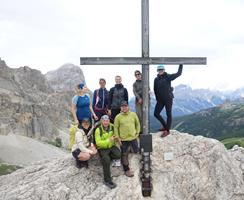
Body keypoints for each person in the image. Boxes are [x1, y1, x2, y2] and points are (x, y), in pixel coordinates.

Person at [153, 64, 183, 137]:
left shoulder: (168, 76)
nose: (160, 71)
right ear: (157, 71)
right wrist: (157, 99)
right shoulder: (156, 79)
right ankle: (165, 126)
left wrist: (181, 65)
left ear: (164, 70)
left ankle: (167, 130)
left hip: (168, 99)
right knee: (156, 113)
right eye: (159, 70)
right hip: (160, 100)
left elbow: (178, 74)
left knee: (168, 114)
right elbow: (155, 90)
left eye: (162, 70)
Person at [114, 101, 140, 177]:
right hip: (123, 139)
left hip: (133, 138)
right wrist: (118, 138)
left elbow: (137, 124)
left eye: (125, 106)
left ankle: (131, 149)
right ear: (120, 108)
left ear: (128, 106)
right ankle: (126, 170)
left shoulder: (133, 114)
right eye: (122, 106)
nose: (124, 108)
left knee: (136, 151)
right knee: (124, 154)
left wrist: (137, 133)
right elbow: (116, 128)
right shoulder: (118, 117)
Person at [95, 115, 121, 189]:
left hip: (111, 146)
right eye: (104, 121)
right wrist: (109, 140)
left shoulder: (112, 127)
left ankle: (106, 158)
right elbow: (98, 143)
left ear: (109, 121)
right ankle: (107, 180)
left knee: (118, 155)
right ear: (101, 121)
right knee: (106, 160)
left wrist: (117, 138)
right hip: (102, 148)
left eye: (107, 121)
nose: (106, 122)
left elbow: (116, 133)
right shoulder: (98, 130)